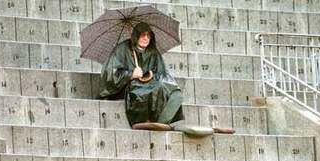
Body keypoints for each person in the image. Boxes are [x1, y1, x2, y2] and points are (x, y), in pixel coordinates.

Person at [99, 22, 234, 135]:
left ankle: (165, 118)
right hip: (128, 86)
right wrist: (130, 74)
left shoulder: (152, 51)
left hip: (149, 83)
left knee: (166, 87)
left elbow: (161, 72)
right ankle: (144, 120)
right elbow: (110, 74)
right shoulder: (123, 49)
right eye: (142, 35)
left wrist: (153, 77)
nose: (146, 39)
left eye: (148, 36)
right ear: (135, 36)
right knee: (147, 89)